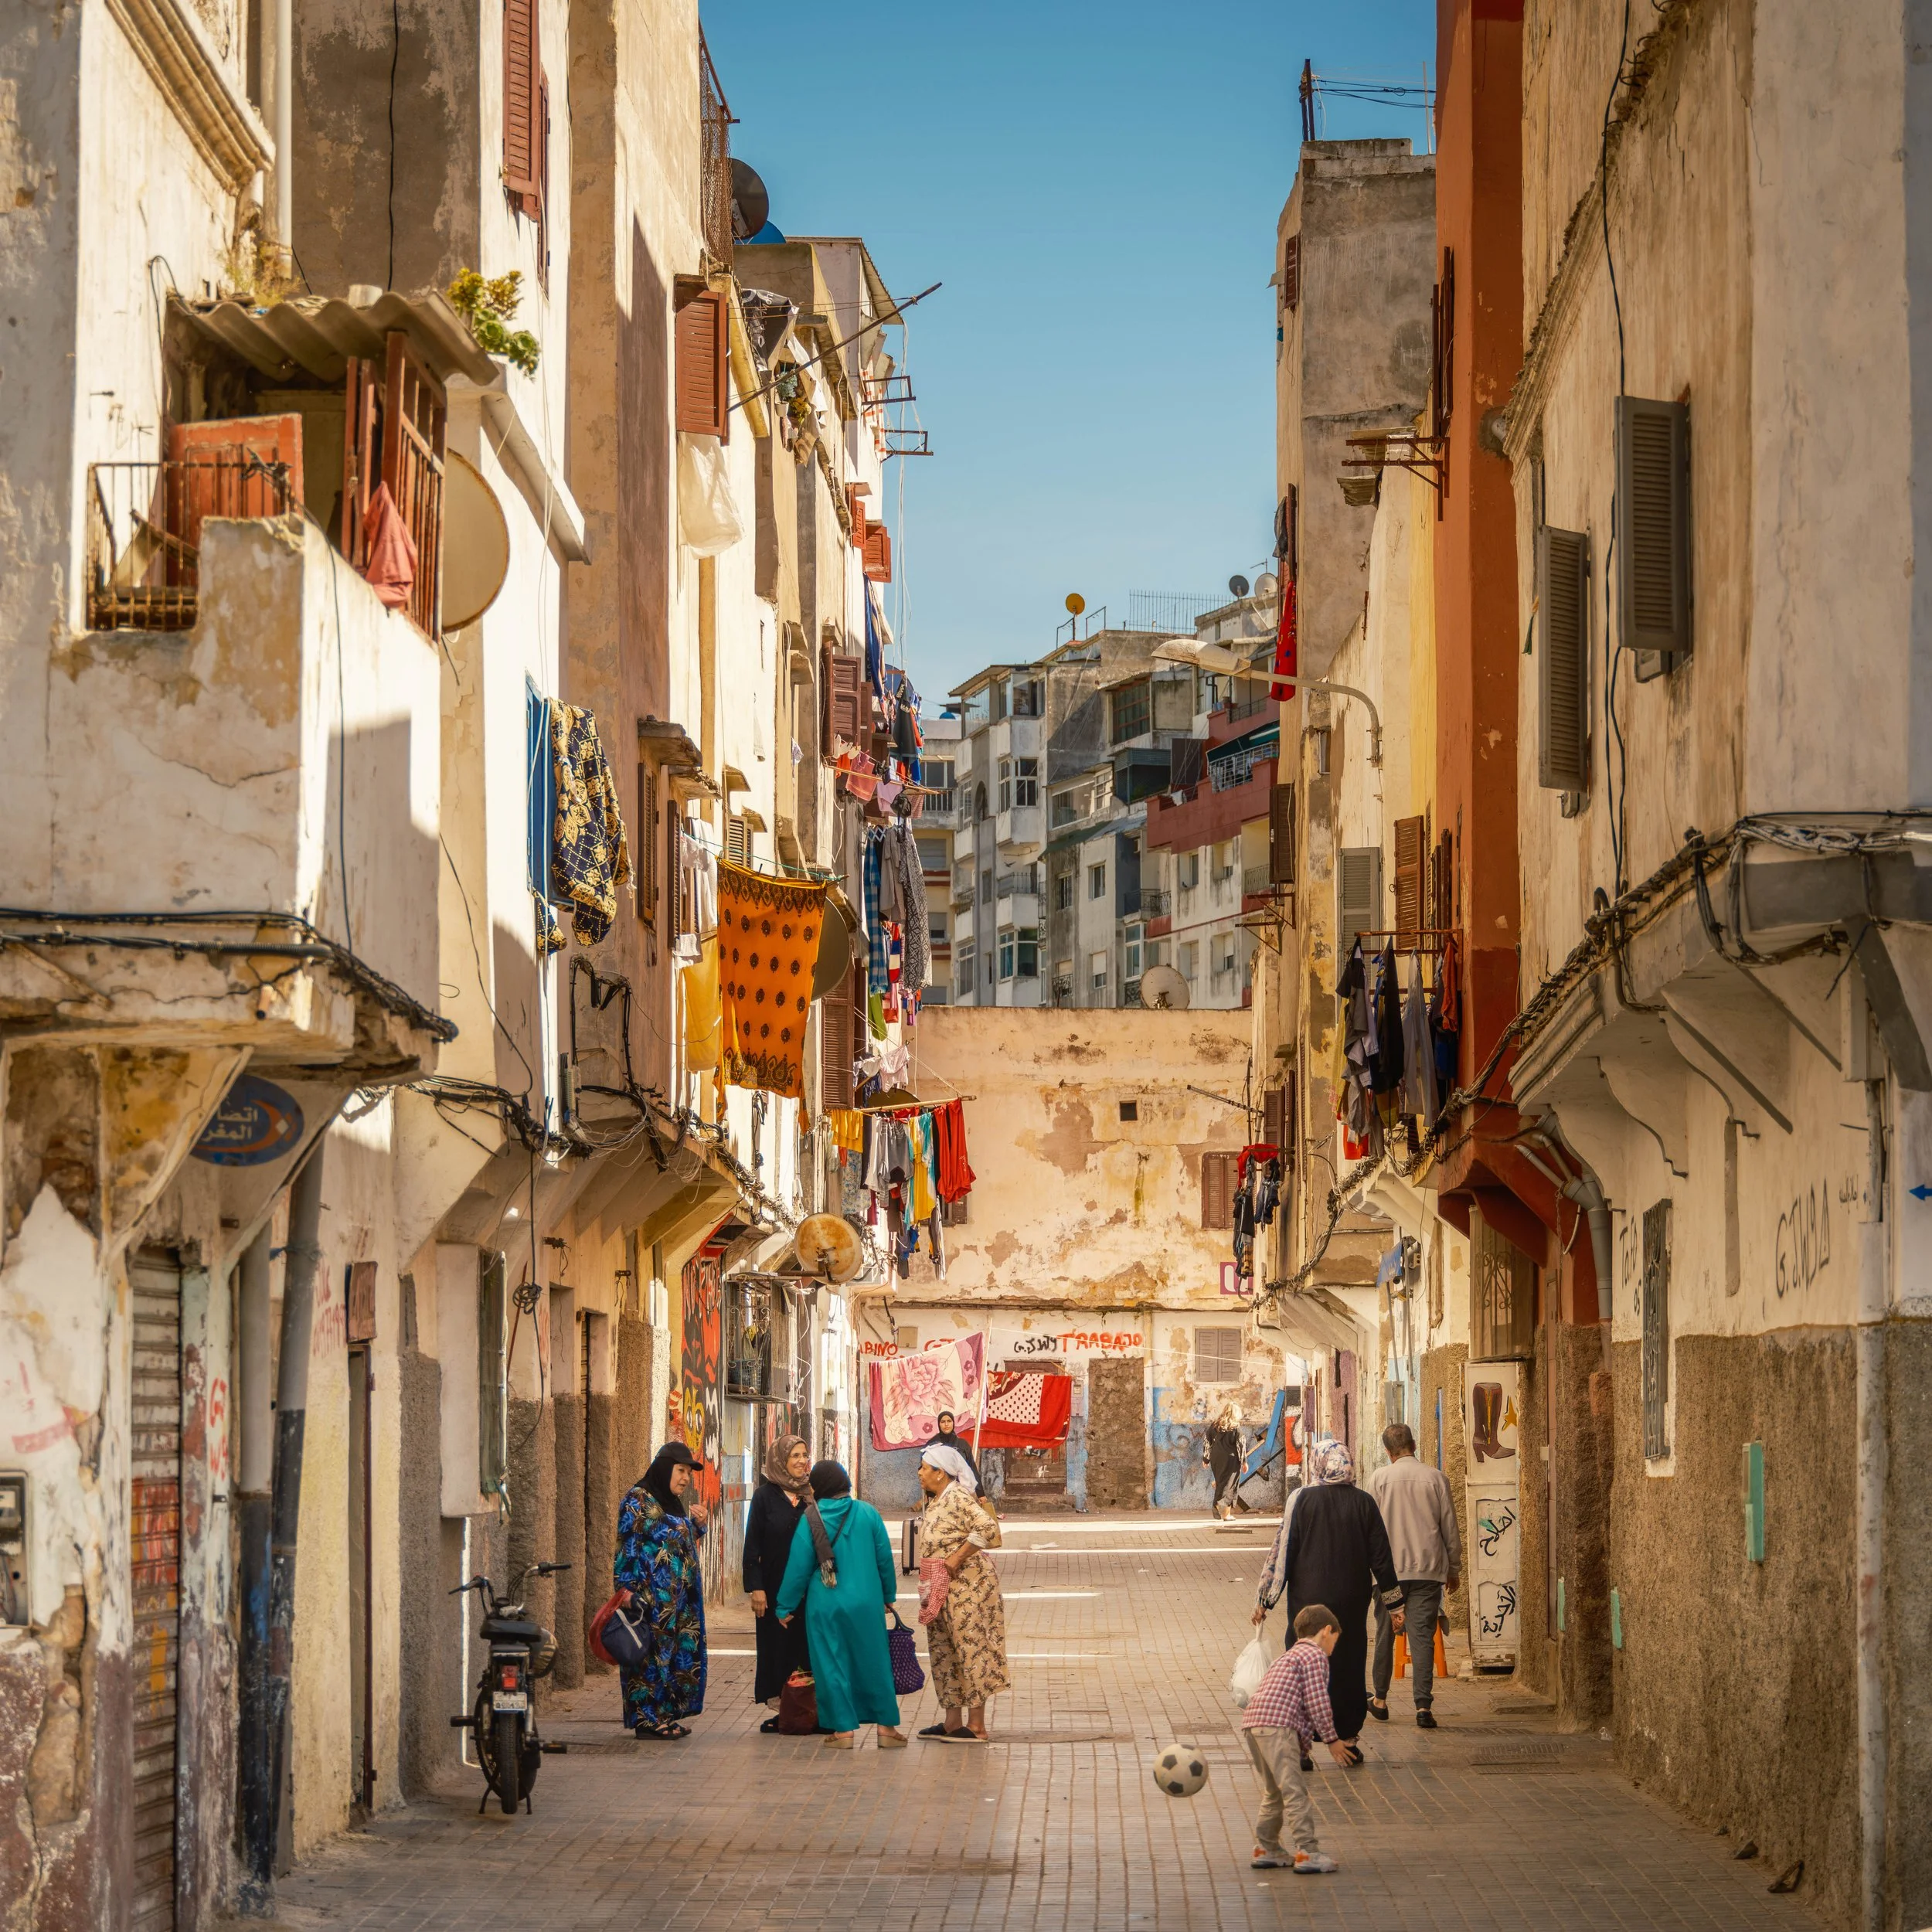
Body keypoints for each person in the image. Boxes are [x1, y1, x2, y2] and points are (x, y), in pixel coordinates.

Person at [1252, 1441, 1401, 1761]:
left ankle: (1301, 1748)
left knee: (1302, 1671)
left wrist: (1266, 1600)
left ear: (1318, 1464)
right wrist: (1395, 1605)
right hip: (1348, 1607)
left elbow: (1283, 1552)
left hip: (1307, 1607)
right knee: (1347, 1668)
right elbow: (1382, 1558)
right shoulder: (1364, 1503)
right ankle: (1347, 1738)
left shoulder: (1301, 1499)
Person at [774, 1461, 906, 1749]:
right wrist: (888, 1595)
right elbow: (884, 1557)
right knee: (874, 1662)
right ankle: (886, 1729)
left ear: (819, 1487)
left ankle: (844, 1731)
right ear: (845, 1484)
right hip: (867, 1603)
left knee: (831, 1664)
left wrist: (784, 1606)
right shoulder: (868, 1513)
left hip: (826, 1604)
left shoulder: (811, 1518)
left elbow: (798, 1567)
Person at [1240, 1603, 1349, 1874]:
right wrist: (1332, 1739)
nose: (1333, 1647)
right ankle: (1308, 1851)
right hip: (1277, 1727)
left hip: (1254, 1724)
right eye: (1335, 1640)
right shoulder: (1314, 1656)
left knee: (1275, 1790)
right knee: (1294, 1790)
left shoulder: (1289, 1656)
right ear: (1326, 1632)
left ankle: (1267, 1848)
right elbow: (1317, 1700)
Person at [1366, 1420, 1461, 1729]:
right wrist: (1454, 1569)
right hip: (1428, 1572)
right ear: (1414, 1446)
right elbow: (1449, 1527)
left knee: (1384, 1634)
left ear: (1388, 1452)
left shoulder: (1378, 1479)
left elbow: (1368, 1531)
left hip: (1388, 1577)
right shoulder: (1436, 1479)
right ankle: (1423, 1707)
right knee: (1422, 1637)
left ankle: (1380, 1700)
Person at [913, 1444, 1009, 1742]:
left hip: (969, 1588)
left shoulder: (956, 1496)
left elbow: (988, 1529)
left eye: (925, 1469)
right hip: (943, 1587)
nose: (920, 1474)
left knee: (971, 1648)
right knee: (945, 1650)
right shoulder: (937, 1499)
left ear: (940, 1473)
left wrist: (956, 1557)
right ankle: (952, 1721)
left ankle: (976, 1725)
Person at [614, 1440, 710, 1740]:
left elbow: (671, 1542)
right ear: (664, 1468)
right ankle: (647, 1721)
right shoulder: (637, 1501)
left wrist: (698, 1525)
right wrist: (627, 1591)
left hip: (678, 1603)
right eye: (680, 1470)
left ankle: (665, 1716)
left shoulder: (669, 1502)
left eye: (688, 1473)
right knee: (648, 1659)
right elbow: (626, 1549)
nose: (684, 1478)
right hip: (648, 1599)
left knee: (672, 1658)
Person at [743, 1434, 813, 1730]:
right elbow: (752, 1547)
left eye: (804, 1455)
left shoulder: (812, 1495)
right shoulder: (764, 1496)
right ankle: (785, 1709)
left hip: (808, 1591)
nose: (801, 1461)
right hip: (772, 1590)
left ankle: (806, 1707)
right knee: (777, 1648)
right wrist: (756, 1588)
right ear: (781, 1462)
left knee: (805, 1647)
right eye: (794, 1456)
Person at [1206, 1404, 1245, 1519]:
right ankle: (1221, 1509)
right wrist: (1244, 1462)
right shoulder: (1236, 1428)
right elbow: (1241, 1445)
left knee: (1221, 1483)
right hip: (1231, 1460)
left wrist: (1206, 1458)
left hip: (1216, 1458)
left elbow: (1207, 1441)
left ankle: (1220, 1509)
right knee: (1230, 1486)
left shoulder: (1215, 1426)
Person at [923, 1408, 980, 1485]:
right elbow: (926, 1470)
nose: (946, 1424)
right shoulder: (932, 1444)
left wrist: (981, 1494)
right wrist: (928, 1492)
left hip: (961, 1488)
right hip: (938, 1490)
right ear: (939, 1424)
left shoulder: (962, 1444)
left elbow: (972, 1469)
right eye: (943, 1422)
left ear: (953, 1423)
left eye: (949, 1421)